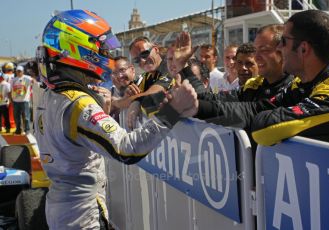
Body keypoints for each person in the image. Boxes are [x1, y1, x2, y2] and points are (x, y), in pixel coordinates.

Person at [34, 10, 197, 230]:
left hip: (61, 208)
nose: (106, 56)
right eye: (101, 49)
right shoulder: (79, 104)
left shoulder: (49, 94)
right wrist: (172, 111)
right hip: (83, 216)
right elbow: (127, 148)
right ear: (78, 49)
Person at [172, 10, 329, 146]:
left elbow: (263, 127)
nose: (279, 48)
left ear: (304, 49)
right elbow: (253, 110)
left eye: (283, 42)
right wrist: (196, 107)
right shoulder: (300, 86)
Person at [127, 36, 174, 130]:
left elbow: (155, 91)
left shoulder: (171, 66)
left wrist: (137, 101)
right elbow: (130, 97)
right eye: (137, 60)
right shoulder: (146, 76)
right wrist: (134, 101)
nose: (142, 61)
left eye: (144, 54)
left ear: (156, 49)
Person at [10, 65, 35, 134]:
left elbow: (33, 81)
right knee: (17, 116)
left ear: (23, 71)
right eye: (17, 71)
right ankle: (18, 129)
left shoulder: (27, 78)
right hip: (16, 101)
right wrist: (11, 99)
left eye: (20, 71)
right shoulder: (13, 80)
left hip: (25, 101)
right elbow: (10, 90)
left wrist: (34, 81)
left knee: (26, 116)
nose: (18, 72)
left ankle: (27, 130)